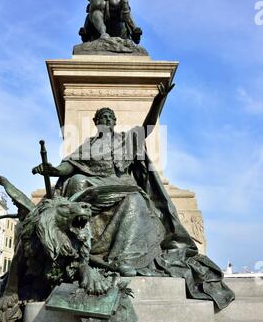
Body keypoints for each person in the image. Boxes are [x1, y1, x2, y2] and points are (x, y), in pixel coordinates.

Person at [33, 83, 235, 309]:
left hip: (122, 187)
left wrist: (158, 100)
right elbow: (68, 167)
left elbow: (148, 127)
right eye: (102, 117)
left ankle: (124, 259)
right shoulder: (87, 146)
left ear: (115, 122)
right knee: (78, 182)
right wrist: (51, 170)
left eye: (110, 117)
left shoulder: (126, 140)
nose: (106, 120)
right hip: (95, 190)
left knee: (135, 200)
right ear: (95, 123)